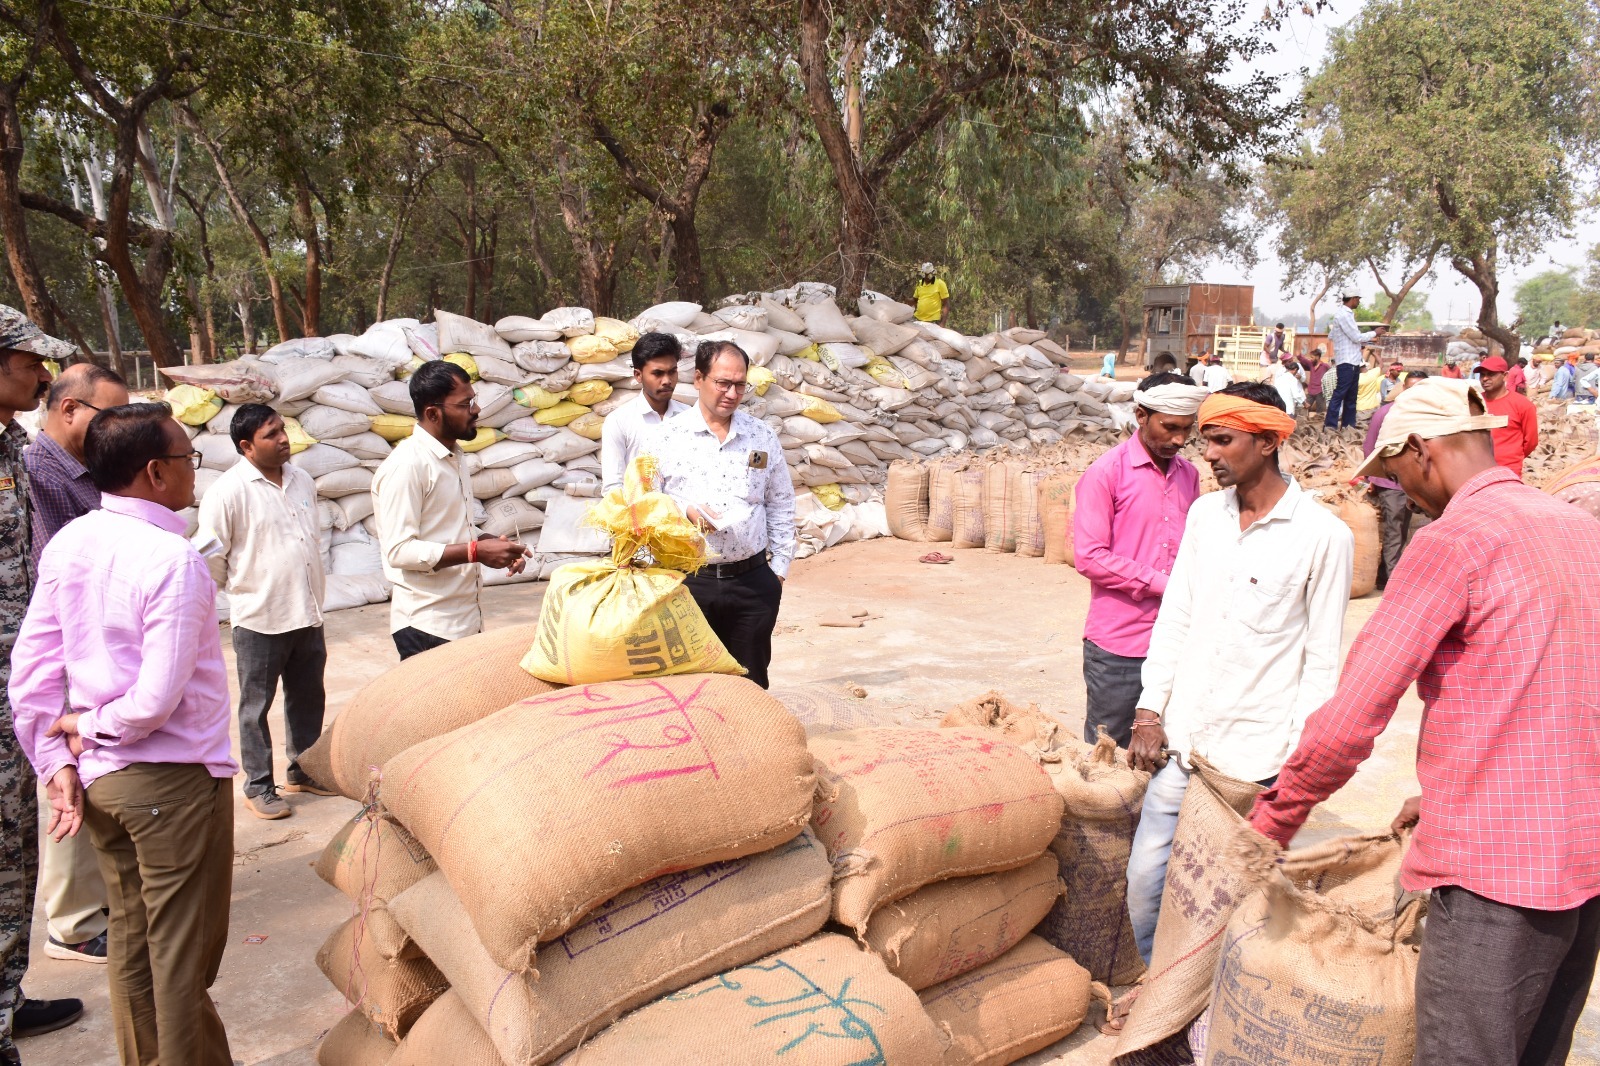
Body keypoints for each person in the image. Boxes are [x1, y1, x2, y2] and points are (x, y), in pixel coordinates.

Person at [1249, 377, 1600, 1065]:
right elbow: (1555, 693)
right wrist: (1447, 788)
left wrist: (1275, 820)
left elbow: (1355, 714)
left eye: (1392, 470)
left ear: (1422, 451)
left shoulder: (1453, 542)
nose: (1397, 489)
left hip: (1496, 875)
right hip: (1583, 860)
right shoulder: (1576, 527)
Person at [11, 402, 238, 1065]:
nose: (194, 473)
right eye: (188, 459)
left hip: (102, 784)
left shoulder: (71, 542)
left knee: (137, 944)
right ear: (156, 473)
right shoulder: (173, 558)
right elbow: (154, 700)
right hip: (168, 780)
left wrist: (57, 762)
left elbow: (31, 672)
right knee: (181, 961)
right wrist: (92, 727)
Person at [1120, 382, 1353, 969]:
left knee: (1230, 904)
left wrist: (1294, 768)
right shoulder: (1205, 517)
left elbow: (1321, 663)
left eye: (1223, 441)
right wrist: (1150, 711)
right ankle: (1160, 996)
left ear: (1269, 440)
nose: (1210, 455)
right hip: (1183, 746)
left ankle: (1201, 1021)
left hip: (1254, 762)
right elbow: (1175, 618)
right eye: (1206, 442)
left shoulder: (1325, 537)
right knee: (1146, 882)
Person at [23, 362, 127, 966]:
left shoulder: (84, 473)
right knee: (64, 776)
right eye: (106, 414)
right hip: (63, 653)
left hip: (90, 647)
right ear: (69, 411)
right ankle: (73, 923)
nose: (114, 426)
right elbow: (52, 577)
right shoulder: (41, 473)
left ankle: (92, 905)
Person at [0, 307, 82, 1061]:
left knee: (17, 859)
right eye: (29, 362)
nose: (42, 375)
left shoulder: (10, 447)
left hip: (19, 690)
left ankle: (8, 997)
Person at [198, 404, 332, 821]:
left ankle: (303, 770)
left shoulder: (301, 479)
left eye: (283, 429)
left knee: (307, 697)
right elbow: (211, 557)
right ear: (246, 446)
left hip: (306, 611)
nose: (283, 438)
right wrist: (238, 595)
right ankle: (259, 786)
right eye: (271, 434)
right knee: (255, 707)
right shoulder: (229, 491)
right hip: (259, 617)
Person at [1071, 374, 1206, 748]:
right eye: (1170, 427)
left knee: (1165, 748)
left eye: (1186, 429)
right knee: (1108, 751)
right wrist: (1166, 584)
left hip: (1175, 638)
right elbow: (1089, 556)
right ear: (1141, 415)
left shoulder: (1189, 475)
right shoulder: (1106, 473)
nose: (1179, 439)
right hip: (1120, 644)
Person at [652, 340, 796, 689]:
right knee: (689, 686)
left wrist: (777, 572)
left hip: (752, 584)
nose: (732, 393)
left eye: (739, 384)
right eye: (722, 383)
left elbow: (780, 502)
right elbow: (643, 502)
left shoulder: (760, 436)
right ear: (699, 378)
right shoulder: (667, 437)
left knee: (750, 683)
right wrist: (683, 510)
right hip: (688, 584)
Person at [372, 361, 531, 660]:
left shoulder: (453, 456)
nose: (476, 409)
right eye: (465, 403)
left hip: (462, 620)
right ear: (433, 413)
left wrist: (488, 543)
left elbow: (449, 529)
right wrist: (475, 552)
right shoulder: (408, 466)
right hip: (427, 626)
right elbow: (399, 550)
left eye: (474, 399)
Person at [600, 332, 688, 493]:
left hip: (686, 514)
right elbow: (613, 487)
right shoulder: (619, 421)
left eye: (672, 372)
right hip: (639, 513)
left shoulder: (690, 417)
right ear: (638, 375)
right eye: (658, 373)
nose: (667, 380)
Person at [1364, 369, 1429, 587]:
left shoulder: (1428, 416)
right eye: (1410, 389)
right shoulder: (1386, 414)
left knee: (1402, 529)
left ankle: (1386, 576)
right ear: (1403, 389)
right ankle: (1392, 581)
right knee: (1394, 529)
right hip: (1391, 482)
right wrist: (1371, 477)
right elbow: (1370, 445)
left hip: (1415, 482)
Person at [1325, 292, 1387, 429]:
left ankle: (1348, 426)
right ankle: (1330, 425)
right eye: (1358, 299)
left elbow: (1334, 335)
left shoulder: (1345, 315)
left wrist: (1356, 343)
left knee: (1351, 397)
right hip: (1347, 361)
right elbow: (1356, 337)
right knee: (1340, 394)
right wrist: (1374, 332)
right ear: (1353, 299)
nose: (1359, 302)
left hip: (1352, 361)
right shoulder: (1343, 315)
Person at [1476, 355, 1538, 478]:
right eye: (1482, 375)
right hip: (1477, 470)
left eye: (1491, 374)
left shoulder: (1523, 405)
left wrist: (1511, 458)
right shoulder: (1474, 402)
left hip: (1507, 472)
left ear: (1505, 376)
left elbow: (1531, 441)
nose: (1485, 378)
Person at [1356, 350, 1385, 417]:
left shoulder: (1356, 379)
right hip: (1374, 407)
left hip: (1361, 408)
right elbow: (1381, 364)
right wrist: (1373, 352)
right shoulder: (1373, 373)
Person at [1302, 347, 1329, 414]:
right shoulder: (1311, 365)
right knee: (1305, 408)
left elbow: (1331, 373)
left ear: (1317, 357)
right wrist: (1298, 354)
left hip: (1320, 391)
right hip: (1311, 391)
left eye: (1312, 357)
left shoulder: (1325, 366)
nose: (1311, 359)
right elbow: (1303, 360)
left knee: (1320, 411)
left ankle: (1319, 423)